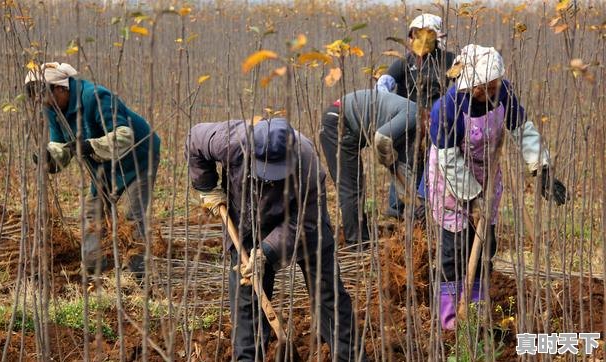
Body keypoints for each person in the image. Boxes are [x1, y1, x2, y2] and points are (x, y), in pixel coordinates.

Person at [187, 118, 367, 361]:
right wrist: (207, 186)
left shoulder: (308, 163)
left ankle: (350, 357)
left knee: (327, 293)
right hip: (248, 222)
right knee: (246, 299)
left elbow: (303, 221)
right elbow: (194, 140)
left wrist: (266, 252)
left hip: (303, 224)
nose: (269, 179)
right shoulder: (230, 141)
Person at [427, 45, 568, 330]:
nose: (490, 92)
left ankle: (477, 309)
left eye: (494, 85)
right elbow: (448, 157)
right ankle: (451, 320)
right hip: (451, 180)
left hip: (487, 173)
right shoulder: (448, 108)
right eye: (485, 87)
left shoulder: (503, 94)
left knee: (485, 242)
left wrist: (542, 170)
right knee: (454, 248)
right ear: (469, 83)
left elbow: (523, 129)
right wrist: (472, 196)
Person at [25, 62, 161, 277]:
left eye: (44, 96)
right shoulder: (52, 107)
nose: (43, 104)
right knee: (92, 213)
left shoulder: (95, 97)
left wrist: (90, 145)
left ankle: (139, 273)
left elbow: (125, 135)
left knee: (132, 216)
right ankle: (96, 267)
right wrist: (49, 156)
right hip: (103, 164)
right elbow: (61, 144)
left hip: (138, 156)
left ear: (61, 88)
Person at [319, 76, 417, 247]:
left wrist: (414, 203)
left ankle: (362, 238)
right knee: (350, 189)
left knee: (356, 187)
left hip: (346, 123)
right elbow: (381, 138)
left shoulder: (409, 127)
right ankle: (358, 245)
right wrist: (390, 163)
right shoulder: (414, 113)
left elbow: (403, 170)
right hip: (338, 122)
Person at [386, 14, 456, 218]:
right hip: (407, 122)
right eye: (416, 34)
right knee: (404, 163)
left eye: (427, 34)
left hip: (436, 123)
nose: (421, 39)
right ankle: (395, 212)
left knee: (431, 164)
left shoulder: (449, 60)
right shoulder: (404, 62)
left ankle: (421, 212)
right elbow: (385, 83)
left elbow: (464, 86)